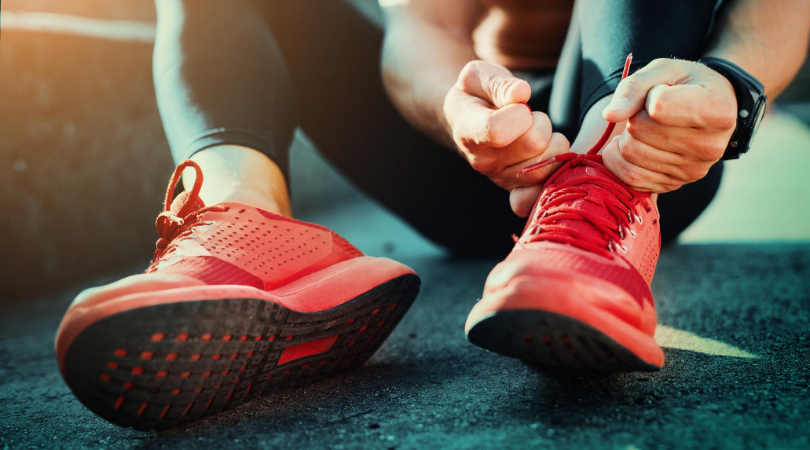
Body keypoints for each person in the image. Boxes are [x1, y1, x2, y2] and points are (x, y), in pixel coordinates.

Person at [54, 0, 809, 429]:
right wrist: (460, 109)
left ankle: (596, 212)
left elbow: (775, 16)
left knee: (629, 129)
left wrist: (728, 86)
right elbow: (421, 33)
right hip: (481, 151)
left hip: (652, 141)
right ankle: (243, 223)